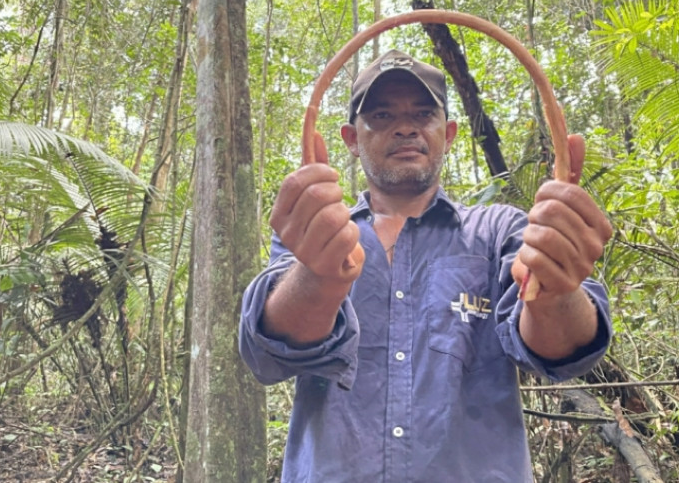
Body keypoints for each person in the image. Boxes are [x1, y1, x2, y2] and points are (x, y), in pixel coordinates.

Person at [240, 49, 613, 482]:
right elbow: (267, 352)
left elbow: (562, 352)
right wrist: (317, 276)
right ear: (350, 138)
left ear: (449, 133)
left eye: (423, 114)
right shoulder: (315, 232)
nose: (405, 127)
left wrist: (555, 289)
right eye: (381, 116)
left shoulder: (500, 231)